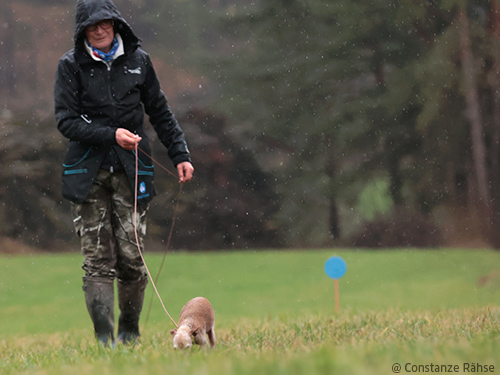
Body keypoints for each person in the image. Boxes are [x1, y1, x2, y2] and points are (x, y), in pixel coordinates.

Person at [54, 0, 194, 346]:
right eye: (91, 26)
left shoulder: (139, 61)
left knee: (132, 260)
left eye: (105, 23)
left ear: (116, 24)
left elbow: (159, 110)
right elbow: (66, 121)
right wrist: (109, 133)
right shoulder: (70, 66)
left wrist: (180, 154)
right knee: (98, 262)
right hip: (87, 174)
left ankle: (129, 335)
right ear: (82, 30)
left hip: (132, 172)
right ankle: (105, 341)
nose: (99, 30)